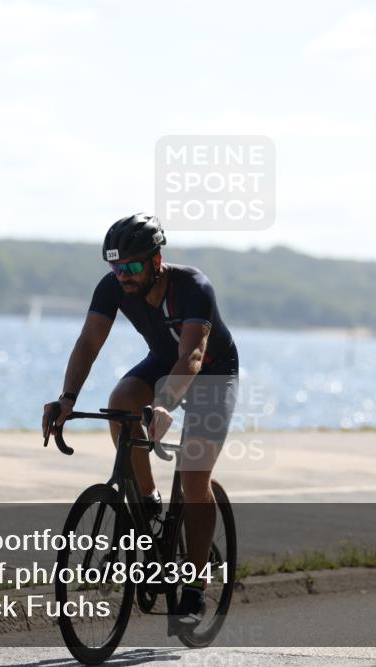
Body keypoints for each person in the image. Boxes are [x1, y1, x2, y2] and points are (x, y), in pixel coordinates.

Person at [42, 212, 239, 630]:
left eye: (131, 266)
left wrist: (166, 403)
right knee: (122, 402)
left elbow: (193, 357)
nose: (123, 276)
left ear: (156, 259)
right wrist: (66, 399)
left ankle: (195, 585)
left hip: (211, 375)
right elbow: (89, 341)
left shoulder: (193, 287)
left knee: (193, 476)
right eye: (116, 267)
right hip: (162, 363)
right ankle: (147, 501)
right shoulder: (113, 286)